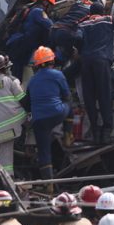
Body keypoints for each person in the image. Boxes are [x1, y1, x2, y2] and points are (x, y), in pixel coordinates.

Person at [78, 2, 114, 144]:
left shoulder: (82, 24)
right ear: (103, 11)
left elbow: (77, 40)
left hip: (85, 62)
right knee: (104, 95)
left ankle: (95, 130)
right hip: (101, 61)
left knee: (89, 97)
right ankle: (106, 131)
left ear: (90, 13)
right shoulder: (108, 20)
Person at [24, 46, 71, 181]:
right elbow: (66, 95)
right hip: (57, 114)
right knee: (69, 102)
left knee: (44, 151)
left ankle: (48, 185)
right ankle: (68, 136)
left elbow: (27, 104)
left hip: (39, 120)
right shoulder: (58, 74)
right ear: (52, 61)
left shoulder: (32, 80)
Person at [5, 0, 55, 79]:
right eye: (50, 5)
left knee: (16, 75)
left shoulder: (30, 10)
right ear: (45, 2)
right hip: (21, 47)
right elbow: (50, 26)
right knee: (17, 78)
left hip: (17, 45)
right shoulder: (38, 11)